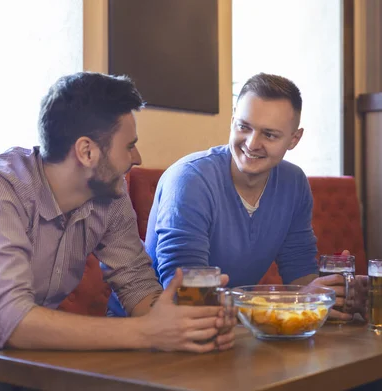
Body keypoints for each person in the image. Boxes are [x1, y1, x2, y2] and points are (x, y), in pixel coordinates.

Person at [0, 72, 235, 391]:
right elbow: (11, 320)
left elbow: (135, 283)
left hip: (31, 356)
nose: (137, 158)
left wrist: (187, 325)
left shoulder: (108, 195)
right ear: (87, 152)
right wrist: (148, 332)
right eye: (129, 146)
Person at [143, 73, 367, 321]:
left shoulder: (293, 183)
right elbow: (188, 295)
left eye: (269, 135)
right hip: (152, 331)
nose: (251, 144)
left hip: (233, 329)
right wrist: (296, 301)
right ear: (232, 121)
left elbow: (300, 269)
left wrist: (329, 295)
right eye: (244, 127)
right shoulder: (190, 180)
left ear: (294, 139)